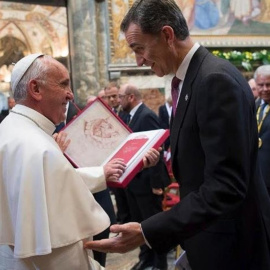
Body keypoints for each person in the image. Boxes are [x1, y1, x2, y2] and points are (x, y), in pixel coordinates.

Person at [84, 1, 270, 270]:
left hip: (231, 246)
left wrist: (148, 230)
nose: (139, 61)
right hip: (209, 236)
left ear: (167, 36)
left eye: (140, 48)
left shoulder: (213, 80)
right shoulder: (193, 79)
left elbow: (226, 185)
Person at [0, 53, 160, 269]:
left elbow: (51, 182)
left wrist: (102, 174)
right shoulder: (39, 148)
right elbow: (61, 255)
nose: (70, 94)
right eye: (63, 84)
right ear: (36, 89)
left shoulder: (11, 130)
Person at [118, 83, 171, 270]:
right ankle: (146, 260)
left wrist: (156, 184)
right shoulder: (129, 116)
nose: (118, 100)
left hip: (148, 183)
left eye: (120, 96)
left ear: (131, 97)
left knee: (153, 225)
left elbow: (157, 148)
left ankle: (159, 264)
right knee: (139, 223)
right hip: (135, 183)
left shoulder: (146, 115)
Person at [254, 65, 270, 197]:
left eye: (268, 85)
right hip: (257, 174)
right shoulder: (254, 105)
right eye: (261, 85)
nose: (265, 89)